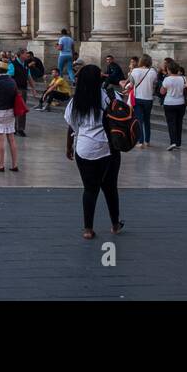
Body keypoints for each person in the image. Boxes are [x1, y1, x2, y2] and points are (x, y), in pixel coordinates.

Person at [64, 64, 123, 240]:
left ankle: (88, 229)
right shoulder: (110, 97)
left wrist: (69, 147)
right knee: (110, 187)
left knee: (90, 189)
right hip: (108, 149)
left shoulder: (75, 101)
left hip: (84, 149)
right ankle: (115, 224)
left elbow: (72, 126)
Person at [0, 63, 20, 172]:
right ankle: (14, 164)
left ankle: (1, 165)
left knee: (0, 139)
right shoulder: (12, 81)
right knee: (11, 138)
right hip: (10, 111)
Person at [126, 55, 160, 148]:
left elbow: (131, 85)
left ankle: (140, 142)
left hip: (138, 98)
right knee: (147, 120)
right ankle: (147, 141)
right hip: (148, 98)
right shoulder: (153, 72)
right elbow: (155, 84)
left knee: (139, 120)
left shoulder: (135, 71)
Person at [159, 57, 187, 150]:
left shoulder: (167, 79)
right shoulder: (183, 78)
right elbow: (186, 89)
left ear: (169, 69)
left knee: (171, 123)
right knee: (179, 123)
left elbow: (162, 92)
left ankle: (173, 142)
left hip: (169, 103)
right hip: (181, 103)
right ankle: (178, 143)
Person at [8, 49, 32, 136]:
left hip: (23, 89)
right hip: (15, 89)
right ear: (21, 55)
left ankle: (20, 128)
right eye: (26, 53)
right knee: (14, 108)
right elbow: (9, 77)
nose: (27, 55)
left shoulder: (26, 64)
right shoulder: (13, 64)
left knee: (22, 109)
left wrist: (33, 88)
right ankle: (14, 128)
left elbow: (29, 77)